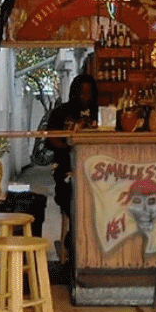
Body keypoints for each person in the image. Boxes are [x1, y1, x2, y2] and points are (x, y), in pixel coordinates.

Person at [44, 72, 98, 265]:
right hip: (66, 171)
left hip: (95, 172)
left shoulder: (100, 114)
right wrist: (70, 145)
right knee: (72, 198)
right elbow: (50, 140)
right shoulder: (61, 113)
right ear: (74, 94)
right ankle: (75, 242)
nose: (86, 97)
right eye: (82, 93)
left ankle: (89, 246)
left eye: (89, 93)